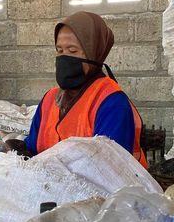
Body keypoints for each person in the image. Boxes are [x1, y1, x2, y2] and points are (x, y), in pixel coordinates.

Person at [17, 11, 147, 167]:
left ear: (95, 53)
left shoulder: (111, 101)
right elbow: (32, 147)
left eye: (72, 51)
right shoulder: (50, 99)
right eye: (60, 50)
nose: (64, 57)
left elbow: (109, 170)